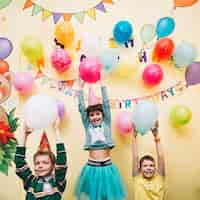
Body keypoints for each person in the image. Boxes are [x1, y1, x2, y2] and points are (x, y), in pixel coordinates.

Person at [75, 79, 127, 200]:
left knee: (107, 197)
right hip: (91, 168)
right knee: (92, 197)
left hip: (107, 167)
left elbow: (106, 104)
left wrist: (102, 85)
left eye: (98, 113)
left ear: (103, 115)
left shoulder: (107, 123)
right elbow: (82, 108)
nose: (95, 117)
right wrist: (80, 89)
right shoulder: (88, 125)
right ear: (88, 118)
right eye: (92, 115)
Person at [14, 118, 67, 199]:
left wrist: (56, 130)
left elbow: (61, 161)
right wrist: (25, 135)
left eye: (45, 162)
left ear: (53, 165)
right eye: (37, 163)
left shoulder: (57, 182)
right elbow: (19, 162)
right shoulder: (30, 181)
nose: (40, 166)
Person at [132, 121, 166, 200]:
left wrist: (156, 135)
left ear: (155, 168)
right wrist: (134, 136)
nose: (148, 168)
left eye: (151, 165)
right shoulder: (137, 178)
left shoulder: (159, 177)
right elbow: (135, 157)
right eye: (145, 166)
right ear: (140, 169)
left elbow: (160, 157)